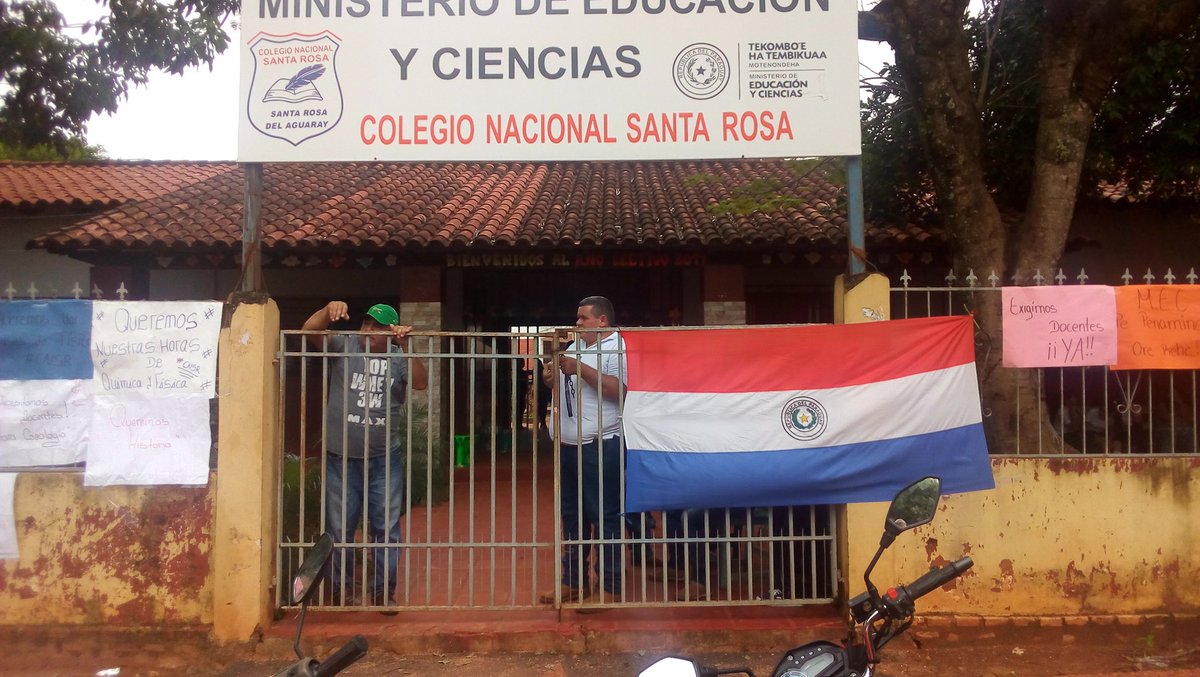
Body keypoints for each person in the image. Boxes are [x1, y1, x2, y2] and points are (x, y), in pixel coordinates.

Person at [302, 300, 428, 610]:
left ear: (390, 333)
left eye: (377, 327)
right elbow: (308, 331)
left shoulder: (398, 357)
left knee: (385, 530)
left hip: (384, 460)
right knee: (340, 530)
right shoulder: (345, 346)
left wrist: (407, 345)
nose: (368, 330)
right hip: (340, 458)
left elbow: (422, 383)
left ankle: (383, 592)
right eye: (366, 323)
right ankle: (341, 592)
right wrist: (327, 309)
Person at [539, 296, 626, 604]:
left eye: (583, 318)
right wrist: (551, 379)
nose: (576, 323)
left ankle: (611, 587)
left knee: (604, 517)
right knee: (572, 517)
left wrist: (580, 369)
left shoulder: (617, 346)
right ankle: (573, 581)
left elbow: (621, 391)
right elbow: (565, 387)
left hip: (601, 446)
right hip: (568, 446)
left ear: (602, 321)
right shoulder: (575, 348)